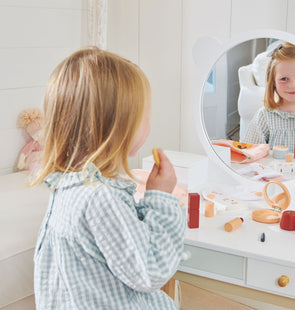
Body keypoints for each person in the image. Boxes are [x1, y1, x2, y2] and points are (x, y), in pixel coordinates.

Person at [31, 48, 186, 309]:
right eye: (145, 116)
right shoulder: (101, 197)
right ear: (120, 126)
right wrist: (160, 199)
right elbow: (150, 271)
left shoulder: (66, 186)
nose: (149, 124)